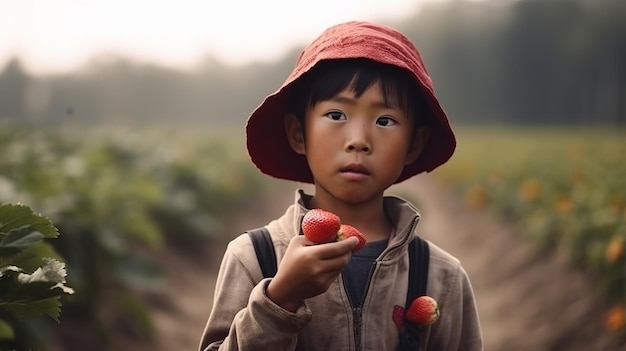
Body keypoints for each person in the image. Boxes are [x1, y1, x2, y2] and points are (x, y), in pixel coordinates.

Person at [198, 21, 483, 351]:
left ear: (415, 145)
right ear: (297, 134)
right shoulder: (253, 258)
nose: (358, 141)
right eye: (336, 115)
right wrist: (280, 299)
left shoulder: (442, 277)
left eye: (385, 121)